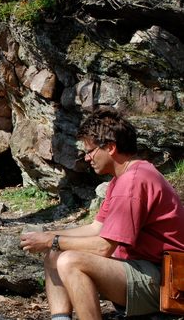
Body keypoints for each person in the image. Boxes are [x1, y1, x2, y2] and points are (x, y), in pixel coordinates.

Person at [20, 107, 184, 320]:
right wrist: (46, 236)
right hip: (144, 270)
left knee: (70, 260)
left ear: (111, 147)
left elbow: (104, 246)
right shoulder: (122, 179)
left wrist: (52, 239)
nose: (87, 158)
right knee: (54, 254)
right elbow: (96, 228)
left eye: (90, 151)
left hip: (165, 281)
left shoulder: (133, 183)